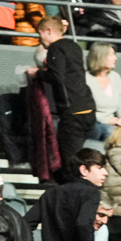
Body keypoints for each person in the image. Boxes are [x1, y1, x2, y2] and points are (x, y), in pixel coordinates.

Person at [32, 16, 95, 162]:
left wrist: (37, 73)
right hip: (88, 108)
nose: (39, 39)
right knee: (85, 156)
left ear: (49, 30)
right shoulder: (74, 46)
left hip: (72, 111)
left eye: (39, 34)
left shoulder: (56, 47)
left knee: (70, 158)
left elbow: (57, 76)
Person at [86, 42, 121, 138]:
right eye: (112, 55)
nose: (115, 58)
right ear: (100, 57)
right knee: (109, 131)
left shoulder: (115, 77)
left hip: (114, 122)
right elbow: (84, 109)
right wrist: (107, 121)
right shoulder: (85, 78)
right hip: (93, 123)